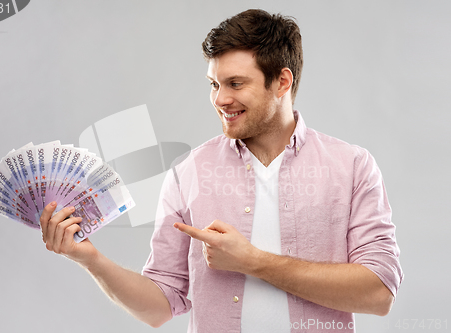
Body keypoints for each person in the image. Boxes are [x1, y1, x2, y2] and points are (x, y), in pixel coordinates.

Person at [40, 9, 403, 332]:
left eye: (235, 84)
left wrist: (253, 262)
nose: (220, 99)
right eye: (214, 84)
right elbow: (159, 307)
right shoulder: (189, 172)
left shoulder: (352, 166)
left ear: (282, 81)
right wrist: (90, 259)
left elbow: (378, 293)